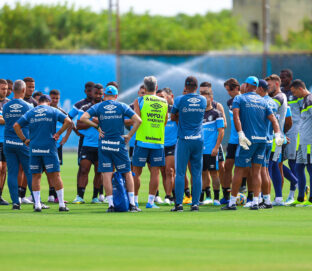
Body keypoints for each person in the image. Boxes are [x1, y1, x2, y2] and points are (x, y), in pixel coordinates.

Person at [222, 76, 283, 211]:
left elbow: (236, 116)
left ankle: (231, 203)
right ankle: (256, 201)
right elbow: (273, 119)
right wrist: (278, 134)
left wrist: (240, 134)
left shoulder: (240, 98)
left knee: (238, 170)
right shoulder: (263, 101)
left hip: (248, 140)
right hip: (262, 141)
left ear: (247, 85)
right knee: (257, 172)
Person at [80, 85, 142, 212]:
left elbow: (83, 118)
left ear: (104, 95)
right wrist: (129, 135)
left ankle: (111, 205)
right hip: (118, 145)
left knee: (107, 174)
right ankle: (132, 204)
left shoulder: (98, 106)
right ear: (116, 96)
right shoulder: (122, 106)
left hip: (104, 144)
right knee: (127, 173)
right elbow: (138, 120)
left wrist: (96, 127)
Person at [14, 94, 71, 212]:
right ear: (49, 102)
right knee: (55, 175)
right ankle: (61, 204)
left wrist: (24, 140)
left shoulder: (31, 112)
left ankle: (38, 205)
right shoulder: (53, 110)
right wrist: (59, 133)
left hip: (34, 148)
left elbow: (16, 125)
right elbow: (68, 121)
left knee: (36, 176)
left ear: (39, 102)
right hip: (49, 148)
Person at [171, 76, 207, 212]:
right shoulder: (203, 100)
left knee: (180, 172)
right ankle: (195, 204)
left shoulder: (179, 99)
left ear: (185, 87)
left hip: (184, 139)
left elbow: (173, 116)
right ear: (196, 87)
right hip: (198, 139)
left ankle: (179, 204)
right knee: (196, 173)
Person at [132, 76, 168, 209]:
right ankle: (150, 202)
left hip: (142, 141)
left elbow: (137, 120)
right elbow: (164, 122)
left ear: (145, 88)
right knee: (155, 172)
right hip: (158, 142)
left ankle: (134, 201)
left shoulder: (139, 101)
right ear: (156, 88)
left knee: (136, 172)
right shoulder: (164, 102)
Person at [2, 80, 34, 210]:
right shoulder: (28, 106)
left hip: (8, 142)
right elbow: (32, 124)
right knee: (30, 171)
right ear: (23, 90)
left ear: (13, 90)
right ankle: (37, 200)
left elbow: (6, 120)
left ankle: (15, 202)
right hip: (23, 142)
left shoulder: (6, 106)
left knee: (12, 173)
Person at [74, 84, 104, 204]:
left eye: (100, 94)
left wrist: (100, 121)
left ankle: (95, 197)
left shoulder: (106, 108)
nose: (98, 96)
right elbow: (79, 125)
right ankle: (80, 196)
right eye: (96, 93)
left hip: (101, 145)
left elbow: (110, 124)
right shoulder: (85, 108)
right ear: (91, 93)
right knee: (83, 169)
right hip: (87, 145)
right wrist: (92, 121)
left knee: (99, 172)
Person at [200, 87, 225, 206]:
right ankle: (204, 197)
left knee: (214, 173)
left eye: (206, 98)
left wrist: (216, 147)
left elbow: (221, 131)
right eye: (202, 99)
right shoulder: (198, 113)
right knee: (202, 173)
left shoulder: (216, 113)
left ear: (211, 98)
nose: (205, 101)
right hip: (199, 150)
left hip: (211, 150)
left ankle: (216, 198)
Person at [289, 80, 312, 206]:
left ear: (300, 88)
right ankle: (300, 198)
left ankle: (311, 200)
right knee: (298, 167)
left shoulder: (310, 99)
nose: (295, 95)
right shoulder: (304, 101)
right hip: (302, 143)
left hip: (309, 142)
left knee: (310, 169)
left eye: (294, 92)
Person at [280, 69, 302, 205]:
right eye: (281, 77)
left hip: (294, 130)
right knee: (277, 162)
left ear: (291, 77)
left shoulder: (297, 93)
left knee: (292, 161)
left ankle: (292, 194)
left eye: (284, 77)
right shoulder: (280, 93)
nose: (282, 79)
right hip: (281, 129)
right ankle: (297, 182)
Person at [265, 74, 287, 206]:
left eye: (270, 85)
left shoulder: (279, 97)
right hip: (275, 137)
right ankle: (278, 197)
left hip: (274, 138)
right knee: (273, 168)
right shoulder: (274, 97)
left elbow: (268, 105)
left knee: (268, 167)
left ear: (277, 84)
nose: (268, 88)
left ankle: (267, 197)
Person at [256, 79, 278, 209]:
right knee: (265, 170)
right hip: (270, 139)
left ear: (260, 89)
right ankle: (265, 199)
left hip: (262, 139)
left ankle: (265, 201)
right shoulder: (272, 102)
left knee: (261, 171)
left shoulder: (262, 102)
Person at [48, 89, 72, 203]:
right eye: (53, 98)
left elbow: (70, 124)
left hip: (57, 146)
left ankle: (53, 195)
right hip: (45, 144)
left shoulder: (61, 111)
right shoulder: (46, 111)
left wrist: (65, 138)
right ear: (49, 98)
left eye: (57, 98)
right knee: (42, 170)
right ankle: (33, 195)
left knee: (55, 171)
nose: (55, 100)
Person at [156, 88, 177, 205]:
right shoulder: (156, 109)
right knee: (163, 172)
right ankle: (172, 195)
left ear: (169, 97)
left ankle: (168, 196)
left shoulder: (174, 110)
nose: (160, 100)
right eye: (158, 97)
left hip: (173, 144)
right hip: (159, 144)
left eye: (162, 97)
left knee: (170, 170)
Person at [222, 78, 241, 205]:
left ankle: (249, 195)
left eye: (228, 90)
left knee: (245, 168)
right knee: (227, 166)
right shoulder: (229, 102)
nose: (227, 93)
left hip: (244, 139)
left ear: (235, 88)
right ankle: (226, 195)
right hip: (233, 140)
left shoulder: (244, 100)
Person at [0, 79, 10, 205]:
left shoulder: (9, 104)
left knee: (4, 169)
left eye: (6, 89)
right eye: (2, 89)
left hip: (6, 140)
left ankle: (0, 195)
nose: (5, 91)